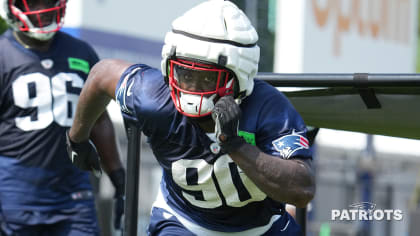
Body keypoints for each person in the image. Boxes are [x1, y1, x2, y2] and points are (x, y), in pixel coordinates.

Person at [67, 0, 315, 235]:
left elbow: (302, 190)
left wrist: (235, 145)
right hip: (185, 222)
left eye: (207, 79)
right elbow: (100, 75)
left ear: (239, 77)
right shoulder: (154, 96)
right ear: (169, 66)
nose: (193, 89)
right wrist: (77, 137)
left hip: (261, 228)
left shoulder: (268, 108)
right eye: (185, 75)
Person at [0, 0, 125, 235]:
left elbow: (99, 119)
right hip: (15, 189)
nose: (43, 10)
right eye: (35, 3)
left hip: (73, 189)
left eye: (48, 2)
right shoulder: (3, 55)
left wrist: (119, 178)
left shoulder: (81, 51)